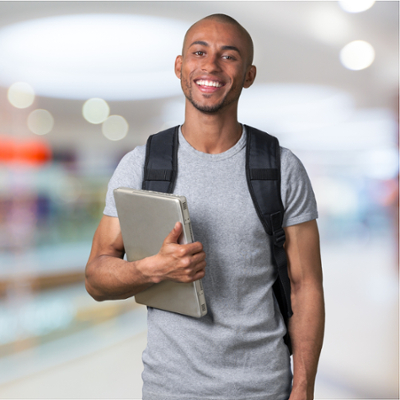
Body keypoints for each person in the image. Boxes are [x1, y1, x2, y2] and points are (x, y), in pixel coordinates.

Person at [85, 13, 325, 400]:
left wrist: (303, 387)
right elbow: (96, 278)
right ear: (180, 67)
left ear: (248, 74)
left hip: (264, 388)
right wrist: (151, 269)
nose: (211, 65)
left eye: (229, 56)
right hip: (170, 388)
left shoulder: (281, 168)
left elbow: (306, 284)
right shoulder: (141, 164)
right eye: (199, 52)